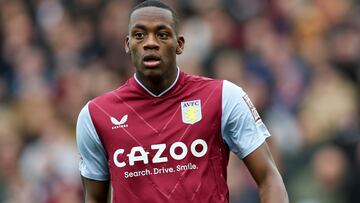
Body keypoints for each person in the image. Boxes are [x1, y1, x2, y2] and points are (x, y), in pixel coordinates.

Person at [76, 0, 288, 202]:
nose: (150, 43)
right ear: (127, 44)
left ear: (179, 44)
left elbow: (269, 177)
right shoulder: (96, 115)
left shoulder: (223, 97)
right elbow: (94, 198)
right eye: (139, 35)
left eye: (162, 34)